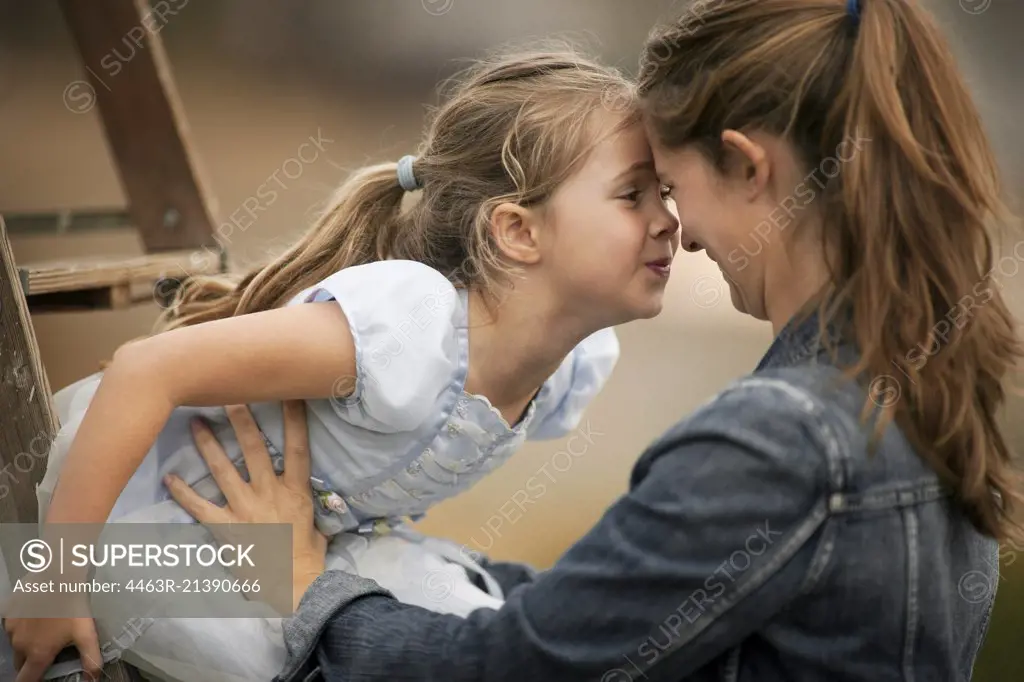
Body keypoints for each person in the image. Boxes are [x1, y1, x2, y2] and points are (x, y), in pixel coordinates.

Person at [167, 1, 1024, 680]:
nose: (682, 237)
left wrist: (310, 587)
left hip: (216, 558)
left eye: (676, 190)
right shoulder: (923, 386)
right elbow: (633, 621)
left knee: (55, 587)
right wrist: (415, 568)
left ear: (751, 167)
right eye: (639, 197)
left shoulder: (781, 438)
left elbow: (509, 671)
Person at [2, 48, 680, 682]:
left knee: (470, 634)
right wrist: (58, 577)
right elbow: (145, 369)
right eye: (633, 195)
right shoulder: (413, 327)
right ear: (518, 231)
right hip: (147, 522)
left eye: (667, 194)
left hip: (307, 538)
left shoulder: (571, 367)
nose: (668, 221)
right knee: (310, 663)